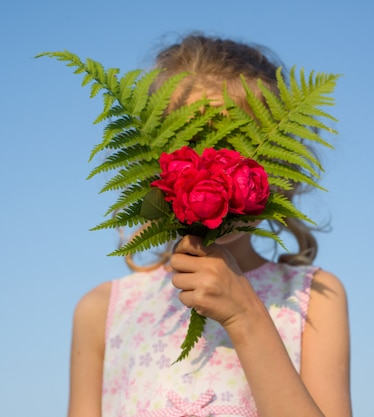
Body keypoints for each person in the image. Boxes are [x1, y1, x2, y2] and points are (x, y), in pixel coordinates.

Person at [67, 34, 352, 417]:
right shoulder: (102, 310)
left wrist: (246, 317)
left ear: (283, 168)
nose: (213, 166)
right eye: (189, 139)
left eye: (239, 142)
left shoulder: (311, 297)